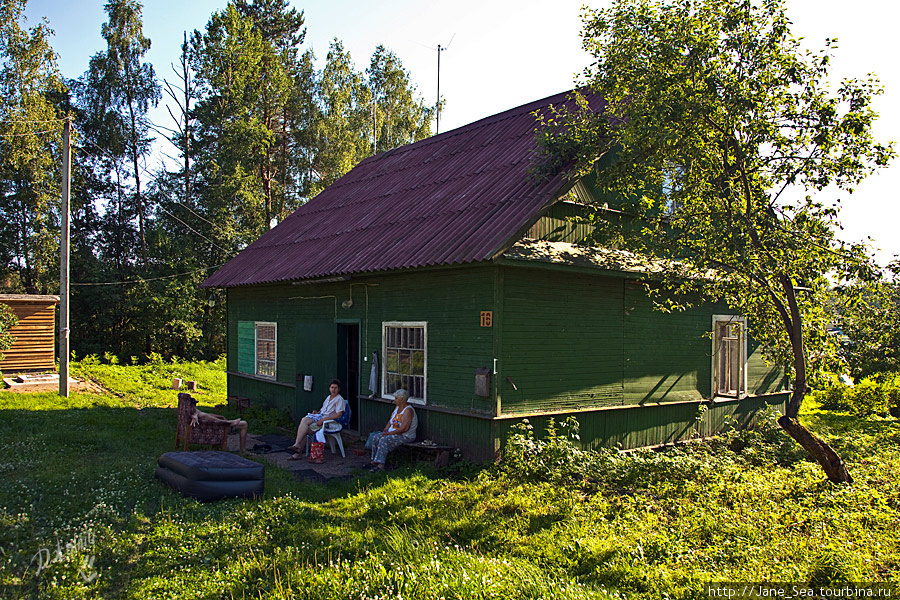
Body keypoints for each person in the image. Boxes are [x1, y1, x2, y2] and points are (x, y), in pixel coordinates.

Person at [288, 379, 345, 463]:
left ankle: (298, 452)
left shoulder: (339, 399)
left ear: (338, 389)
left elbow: (338, 414)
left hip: (329, 422)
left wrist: (323, 420)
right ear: (329, 388)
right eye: (332, 387)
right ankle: (296, 445)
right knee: (304, 420)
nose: (333, 389)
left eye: (335, 388)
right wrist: (317, 412)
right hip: (320, 417)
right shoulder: (328, 397)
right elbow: (323, 411)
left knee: (306, 430)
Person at [366, 388, 417, 471]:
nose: (395, 400)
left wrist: (389, 434)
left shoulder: (408, 410)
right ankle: (374, 461)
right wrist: (386, 430)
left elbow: (404, 428)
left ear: (402, 399)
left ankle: (380, 465)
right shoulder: (397, 407)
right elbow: (391, 420)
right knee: (376, 437)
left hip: (405, 436)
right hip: (393, 433)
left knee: (384, 440)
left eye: (396, 398)